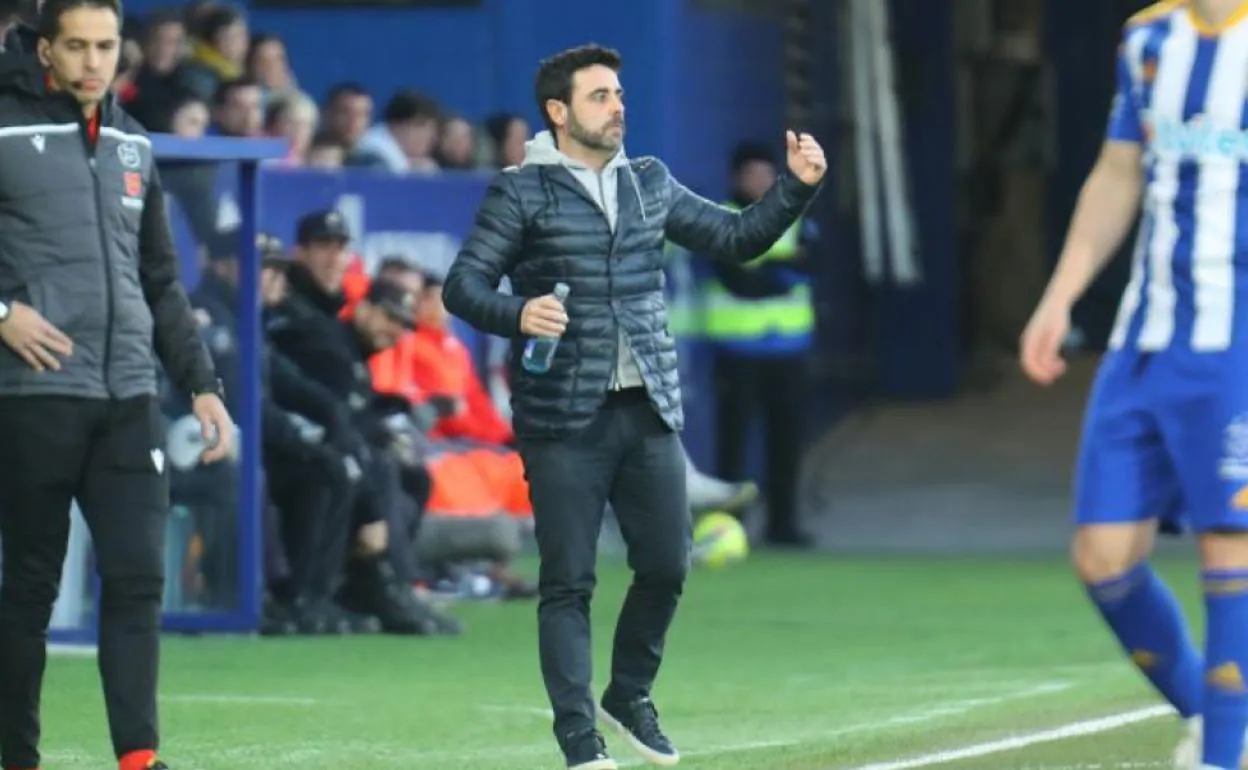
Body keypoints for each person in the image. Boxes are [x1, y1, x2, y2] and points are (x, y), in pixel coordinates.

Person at [443, 43, 825, 770]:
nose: (617, 106)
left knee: (668, 565)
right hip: (562, 418)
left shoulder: (650, 182)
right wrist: (518, 313)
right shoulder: (520, 190)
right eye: (599, 96)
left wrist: (795, 188)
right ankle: (579, 740)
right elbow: (463, 287)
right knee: (569, 582)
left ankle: (630, 693)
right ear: (558, 112)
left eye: (619, 94)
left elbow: (737, 238)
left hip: (646, 408)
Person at [0, 2, 233, 770]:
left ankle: (138, 758)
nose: (94, 61)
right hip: (32, 394)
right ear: (44, 49)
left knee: (137, 578)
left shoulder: (134, 141)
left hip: (130, 394)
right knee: (29, 590)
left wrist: (200, 383)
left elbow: (161, 278)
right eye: (78, 46)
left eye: (106, 46)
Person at [1019, 2, 1248, 768]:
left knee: (1231, 546)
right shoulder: (1148, 37)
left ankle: (1224, 752)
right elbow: (1119, 172)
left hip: (1234, 341)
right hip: (1144, 337)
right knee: (1103, 556)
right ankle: (1217, 718)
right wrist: (1060, 297)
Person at [702, 141, 819, 547]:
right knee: (732, 447)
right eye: (752, 174)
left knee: (786, 442)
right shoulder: (720, 218)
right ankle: (726, 528)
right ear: (736, 177)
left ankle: (783, 525)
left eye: (767, 174)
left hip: (788, 351)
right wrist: (780, 272)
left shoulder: (795, 217)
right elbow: (737, 281)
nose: (760, 182)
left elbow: (813, 266)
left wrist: (766, 270)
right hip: (739, 352)